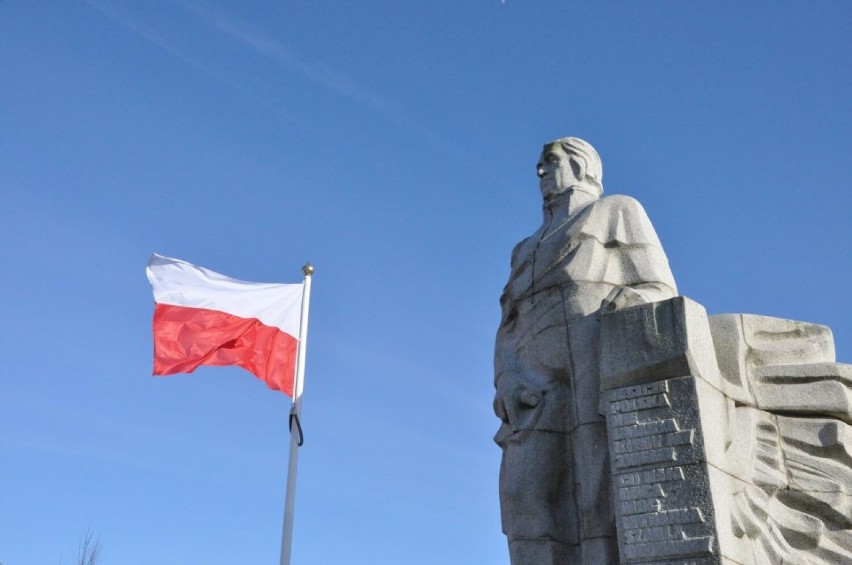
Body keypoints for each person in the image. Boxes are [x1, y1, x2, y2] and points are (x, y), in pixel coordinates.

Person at [493, 137, 677, 564]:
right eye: (538, 164)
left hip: (594, 367)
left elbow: (658, 288)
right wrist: (505, 380)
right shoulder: (523, 248)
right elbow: (508, 323)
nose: (540, 172)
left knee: (600, 495)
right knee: (523, 495)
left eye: (550, 161)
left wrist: (624, 305)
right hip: (532, 389)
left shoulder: (616, 211)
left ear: (581, 166)